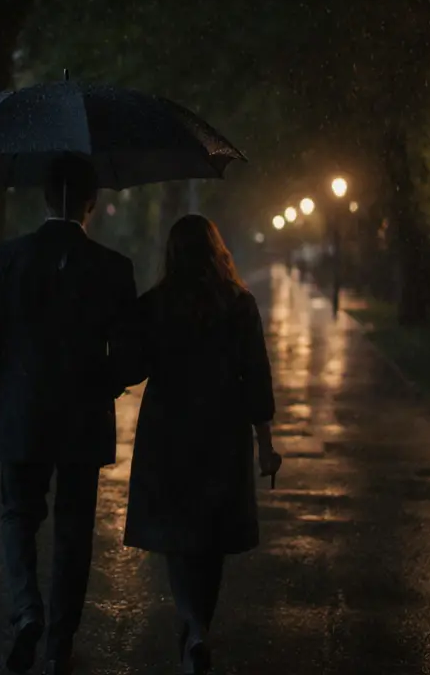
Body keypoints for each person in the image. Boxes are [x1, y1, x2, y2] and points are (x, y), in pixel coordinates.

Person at [0, 155, 137, 675]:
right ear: (91, 203)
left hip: (20, 414)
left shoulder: (5, 260)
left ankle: (26, 612)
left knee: (18, 515)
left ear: (42, 198)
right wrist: (96, 385)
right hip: (82, 420)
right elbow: (129, 355)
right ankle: (59, 644)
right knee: (75, 529)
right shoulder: (113, 267)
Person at [120, 214, 282, 675]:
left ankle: (192, 627)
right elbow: (257, 379)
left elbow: (132, 368)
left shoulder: (156, 304)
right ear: (217, 251)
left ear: (172, 254)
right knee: (210, 538)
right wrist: (265, 445)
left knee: (177, 537)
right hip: (221, 431)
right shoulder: (239, 304)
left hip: (168, 431)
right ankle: (198, 630)